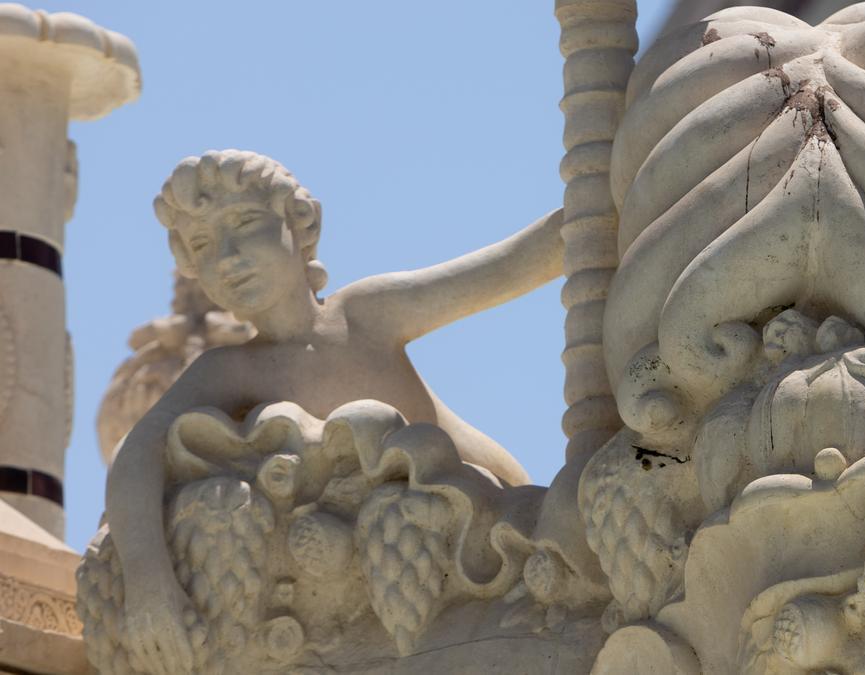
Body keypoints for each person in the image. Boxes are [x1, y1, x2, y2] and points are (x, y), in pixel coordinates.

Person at [106, 149, 564, 673]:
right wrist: (149, 581)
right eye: (203, 245)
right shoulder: (227, 373)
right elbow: (135, 456)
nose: (227, 257)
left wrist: (600, 191)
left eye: (245, 224)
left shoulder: (366, 313)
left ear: (302, 225)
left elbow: (514, 265)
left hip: (500, 524)